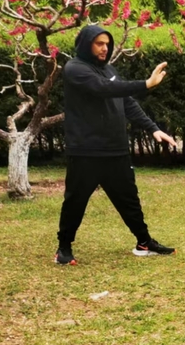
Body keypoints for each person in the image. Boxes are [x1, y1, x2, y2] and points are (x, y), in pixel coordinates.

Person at [54, 25, 178, 266]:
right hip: (86, 151)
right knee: (75, 201)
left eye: (107, 43)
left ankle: (144, 242)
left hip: (116, 149)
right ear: (86, 44)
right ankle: (63, 248)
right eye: (99, 43)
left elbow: (126, 101)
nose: (104, 48)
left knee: (129, 199)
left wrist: (153, 128)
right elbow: (104, 89)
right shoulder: (75, 69)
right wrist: (146, 84)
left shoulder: (109, 69)